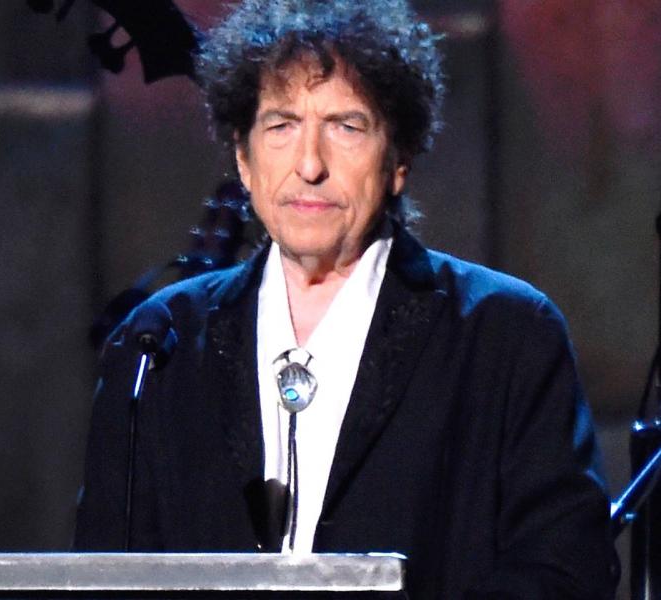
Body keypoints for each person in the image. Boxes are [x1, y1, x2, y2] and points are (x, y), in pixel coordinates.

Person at [74, 1, 617, 598]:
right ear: (243, 160)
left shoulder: (505, 334)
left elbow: (565, 570)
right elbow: (100, 574)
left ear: (399, 159)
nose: (310, 164)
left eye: (346, 126)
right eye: (281, 126)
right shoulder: (158, 345)